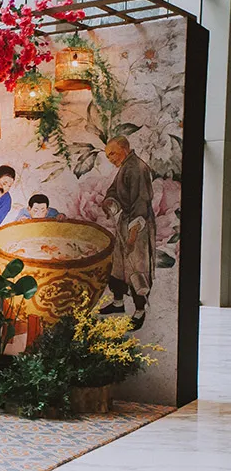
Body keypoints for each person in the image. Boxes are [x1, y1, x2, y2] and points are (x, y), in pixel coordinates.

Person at [98, 136, 155, 331]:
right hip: (124, 223)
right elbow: (114, 191)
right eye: (107, 156)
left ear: (124, 147)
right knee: (118, 266)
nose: (111, 158)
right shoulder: (124, 167)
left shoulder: (137, 168)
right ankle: (118, 302)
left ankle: (139, 312)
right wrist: (109, 202)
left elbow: (141, 203)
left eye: (112, 153)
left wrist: (132, 237)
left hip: (138, 228)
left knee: (136, 268)